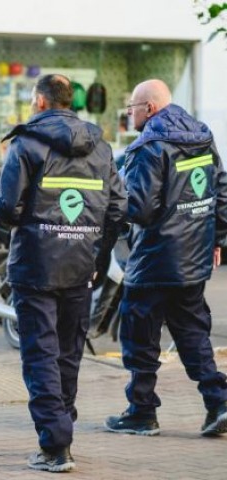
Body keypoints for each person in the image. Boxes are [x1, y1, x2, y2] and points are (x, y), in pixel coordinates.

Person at [0, 74, 126, 473]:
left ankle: (55, 445)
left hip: (35, 264)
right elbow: (118, 207)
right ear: (70, 101)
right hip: (81, 265)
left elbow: (6, 205)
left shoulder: (27, 143)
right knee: (68, 353)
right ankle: (61, 430)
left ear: (40, 101)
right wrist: (92, 244)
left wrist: (29, 224)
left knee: (40, 356)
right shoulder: (100, 146)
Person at [104, 79, 227, 438]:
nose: (130, 114)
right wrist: (216, 237)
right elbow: (221, 189)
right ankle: (218, 401)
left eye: (132, 107)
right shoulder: (202, 136)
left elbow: (140, 209)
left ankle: (142, 412)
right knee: (192, 333)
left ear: (150, 109)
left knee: (140, 336)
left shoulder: (149, 147)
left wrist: (117, 198)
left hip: (154, 259)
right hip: (193, 258)